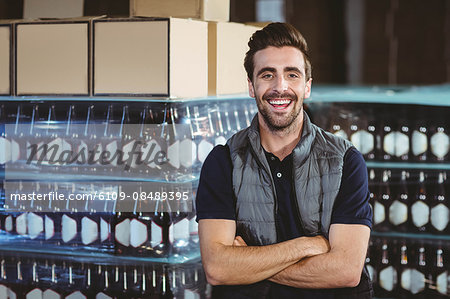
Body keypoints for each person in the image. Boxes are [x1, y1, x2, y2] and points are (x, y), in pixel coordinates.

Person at [196, 22, 373, 299]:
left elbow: (346, 270)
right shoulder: (223, 161)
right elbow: (218, 268)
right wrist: (305, 245)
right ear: (252, 87)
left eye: (292, 75)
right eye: (267, 75)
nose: (280, 87)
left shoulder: (345, 161)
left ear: (307, 87)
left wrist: (247, 263)